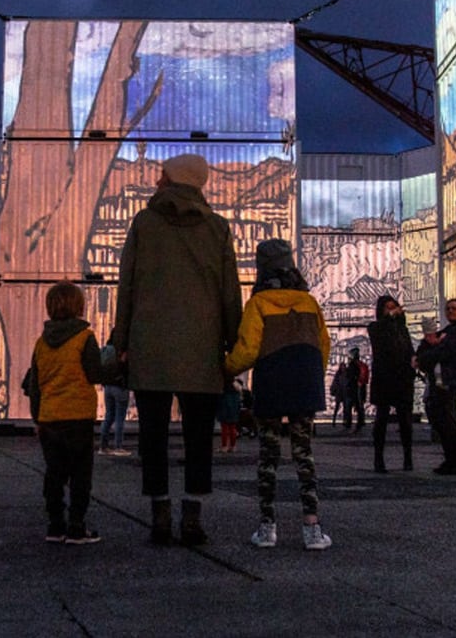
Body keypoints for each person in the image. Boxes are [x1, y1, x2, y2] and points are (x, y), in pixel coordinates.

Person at [114, 153, 242, 546]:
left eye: (161, 175)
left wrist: (122, 342)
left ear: (172, 180)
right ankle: (191, 518)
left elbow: (127, 287)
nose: (156, 180)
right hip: (201, 350)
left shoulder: (144, 223)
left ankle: (159, 517)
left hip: (149, 346)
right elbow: (229, 296)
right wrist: (231, 349)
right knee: (198, 436)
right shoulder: (218, 229)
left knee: (152, 435)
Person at [225, 238, 332, 550]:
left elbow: (247, 350)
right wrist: (312, 373)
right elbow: (323, 345)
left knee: (268, 456)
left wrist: (227, 368)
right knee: (304, 454)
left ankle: (267, 527)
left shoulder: (258, 303)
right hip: (304, 381)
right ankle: (312, 528)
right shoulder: (309, 303)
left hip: (271, 381)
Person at [28, 281, 112, 544]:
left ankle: (55, 525)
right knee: (80, 475)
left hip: (50, 418)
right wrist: (117, 366)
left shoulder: (42, 343)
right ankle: (76, 526)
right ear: (79, 306)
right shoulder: (84, 338)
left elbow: (35, 386)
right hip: (78, 417)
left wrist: (37, 419)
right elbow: (94, 373)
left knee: (54, 473)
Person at [416, 300, 456, 475]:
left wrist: (422, 358)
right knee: (442, 420)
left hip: (449, 381)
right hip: (441, 381)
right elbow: (430, 346)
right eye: (448, 309)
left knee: (447, 421)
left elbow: (444, 351)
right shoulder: (447, 332)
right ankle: (452, 460)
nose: (450, 312)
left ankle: (455, 461)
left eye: (454, 309)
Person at [367, 295, 416, 473]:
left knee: (405, 420)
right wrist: (389, 317)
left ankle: (408, 458)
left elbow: (408, 349)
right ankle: (378, 459)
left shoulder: (402, 329)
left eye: (393, 307)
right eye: (387, 308)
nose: (391, 310)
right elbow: (379, 334)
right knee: (381, 419)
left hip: (402, 378)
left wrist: (413, 362)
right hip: (384, 378)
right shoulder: (376, 327)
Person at [99, 333, 132, 456]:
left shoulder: (107, 349)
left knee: (109, 416)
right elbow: (124, 367)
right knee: (119, 418)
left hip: (107, 386)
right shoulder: (122, 351)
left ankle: (103, 446)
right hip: (120, 386)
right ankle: (118, 446)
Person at [216, 378, 242, 453]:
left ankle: (224, 446)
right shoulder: (237, 388)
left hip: (225, 408)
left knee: (224, 428)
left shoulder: (223, 388)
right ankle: (233, 446)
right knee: (232, 428)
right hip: (234, 410)